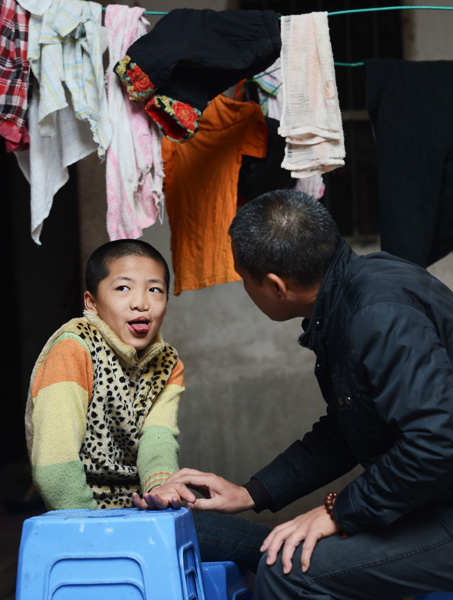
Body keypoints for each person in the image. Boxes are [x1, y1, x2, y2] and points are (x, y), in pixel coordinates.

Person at [167, 190, 453, 599]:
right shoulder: (352, 292)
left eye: (243, 278)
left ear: (275, 285)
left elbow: (436, 444)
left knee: (288, 572)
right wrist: (252, 492)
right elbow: (347, 428)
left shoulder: (376, 312)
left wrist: (337, 512)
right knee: (280, 549)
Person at [24, 239, 269, 568]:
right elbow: (54, 469)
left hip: (141, 513)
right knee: (270, 549)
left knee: (255, 545)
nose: (141, 304)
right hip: (85, 517)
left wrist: (161, 489)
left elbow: (158, 439)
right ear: (92, 302)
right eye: (123, 288)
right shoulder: (73, 349)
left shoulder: (168, 362)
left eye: (155, 290)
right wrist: (93, 536)